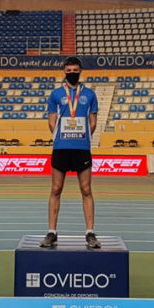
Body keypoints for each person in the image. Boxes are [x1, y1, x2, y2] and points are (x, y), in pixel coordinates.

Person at [41, 57, 100, 249]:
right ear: (64, 72)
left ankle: (90, 233)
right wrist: (62, 137)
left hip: (82, 149)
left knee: (86, 190)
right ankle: (52, 232)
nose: (72, 73)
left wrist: (81, 137)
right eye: (69, 70)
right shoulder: (56, 94)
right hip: (61, 148)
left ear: (81, 71)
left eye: (75, 70)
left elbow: (93, 122)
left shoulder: (90, 95)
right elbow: (52, 121)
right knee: (56, 189)